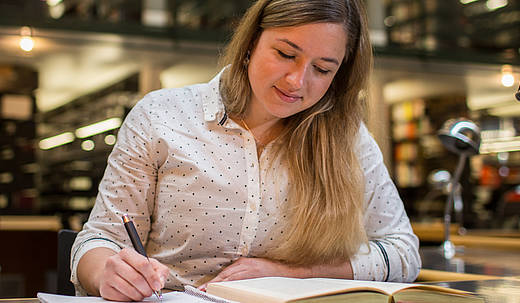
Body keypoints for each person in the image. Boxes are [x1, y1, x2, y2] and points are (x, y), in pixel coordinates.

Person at [71, 0, 421, 300]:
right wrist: (107, 274)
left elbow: (404, 253)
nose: (297, 81)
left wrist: (289, 274)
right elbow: (101, 237)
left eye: (322, 69)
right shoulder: (161, 116)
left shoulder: (350, 140)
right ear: (251, 41)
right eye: (285, 54)